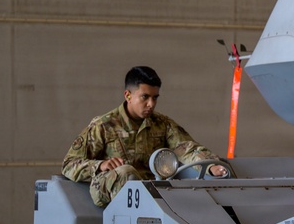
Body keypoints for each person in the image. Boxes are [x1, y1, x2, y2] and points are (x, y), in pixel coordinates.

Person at [63, 66, 227, 207]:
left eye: (155, 98)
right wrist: (100, 165)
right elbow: (69, 165)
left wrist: (210, 166)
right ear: (128, 95)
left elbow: (186, 148)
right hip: (111, 188)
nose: (151, 104)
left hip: (150, 191)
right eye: (145, 97)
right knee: (126, 172)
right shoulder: (104, 125)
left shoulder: (161, 123)